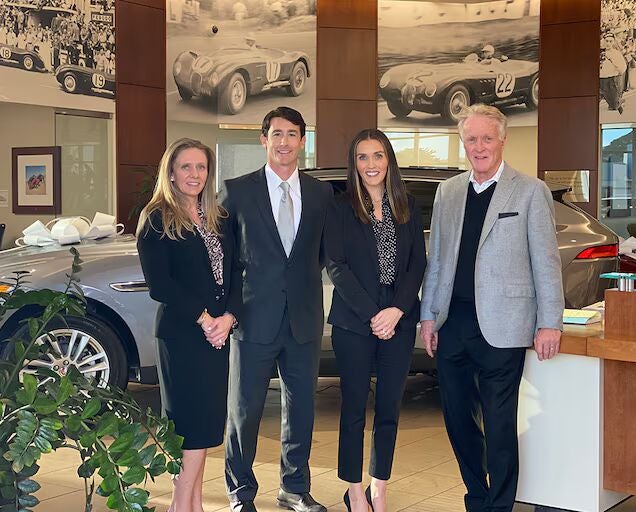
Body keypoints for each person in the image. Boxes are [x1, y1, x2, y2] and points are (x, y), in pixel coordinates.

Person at [420, 104, 564, 512]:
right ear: (461, 142)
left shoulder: (530, 190)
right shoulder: (448, 191)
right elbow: (439, 260)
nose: (479, 146)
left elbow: (546, 261)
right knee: (457, 420)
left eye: (487, 138)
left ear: (502, 140)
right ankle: (476, 496)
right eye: (471, 139)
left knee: (501, 427)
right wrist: (429, 314)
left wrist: (550, 321)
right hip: (453, 324)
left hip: (505, 325)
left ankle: (499, 505)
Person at [222, 106, 333, 512]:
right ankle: (240, 493)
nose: (284, 142)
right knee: (244, 411)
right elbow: (224, 259)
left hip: (303, 319)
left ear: (303, 141)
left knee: (301, 408)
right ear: (263, 139)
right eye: (277, 134)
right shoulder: (236, 191)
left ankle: (294, 489)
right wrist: (227, 311)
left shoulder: (321, 194)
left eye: (292, 134)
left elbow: (321, 254)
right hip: (252, 317)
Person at [136, 138, 241, 512]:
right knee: (188, 426)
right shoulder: (156, 218)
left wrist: (228, 318)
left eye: (201, 167)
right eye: (186, 167)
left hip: (217, 335)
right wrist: (205, 318)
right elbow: (160, 284)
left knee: (208, 424)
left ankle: (193, 504)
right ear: (171, 172)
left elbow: (235, 276)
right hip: (182, 335)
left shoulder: (220, 218)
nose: (194, 174)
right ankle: (181, 505)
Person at [325, 129, 426, 512]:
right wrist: (373, 314)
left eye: (378, 156)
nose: (371, 165)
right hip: (355, 319)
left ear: (389, 161)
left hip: (398, 317)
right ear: (355, 163)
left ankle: (378, 489)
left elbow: (418, 261)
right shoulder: (339, 207)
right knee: (352, 410)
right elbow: (337, 266)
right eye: (363, 157)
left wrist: (397, 310)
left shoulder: (407, 205)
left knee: (389, 408)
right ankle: (353, 491)